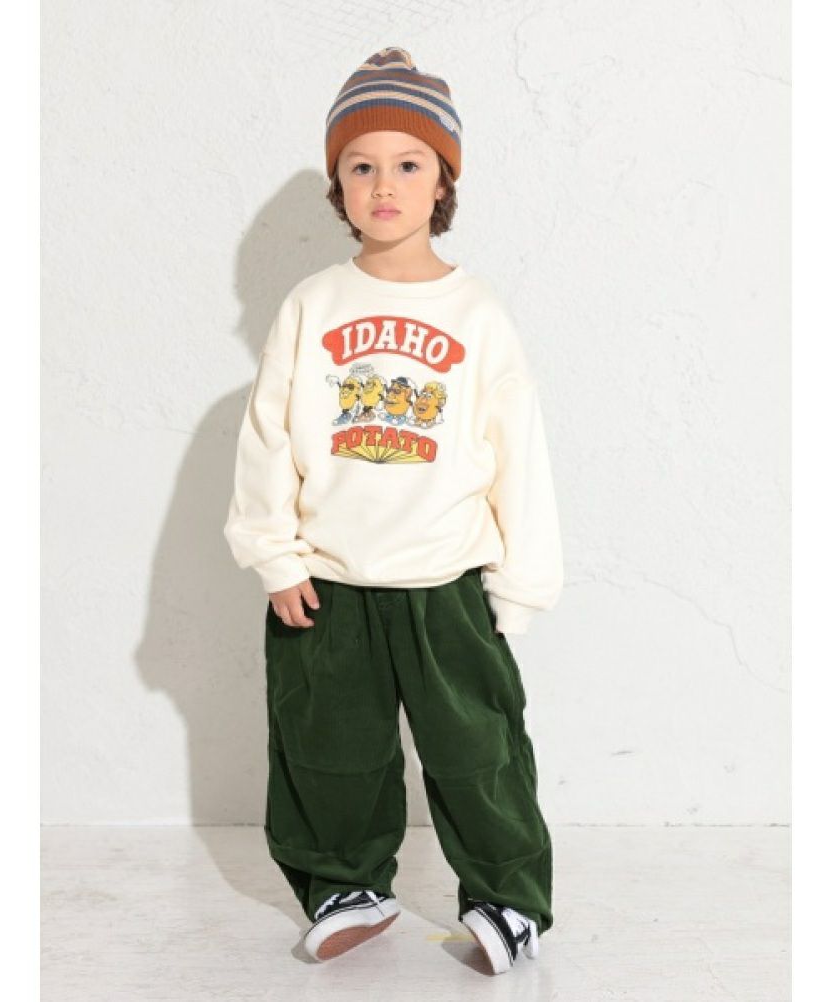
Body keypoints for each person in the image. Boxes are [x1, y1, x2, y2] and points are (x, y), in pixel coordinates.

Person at [223, 46, 563, 976]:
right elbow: (268, 437)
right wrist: (274, 555)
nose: (384, 184)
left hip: (447, 581)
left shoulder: (477, 312)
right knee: (326, 748)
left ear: (444, 180)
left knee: (479, 753)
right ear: (337, 183)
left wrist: (520, 587)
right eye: (360, 164)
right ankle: (344, 884)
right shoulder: (312, 304)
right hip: (326, 583)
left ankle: (507, 899)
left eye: (409, 164)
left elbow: (518, 452)